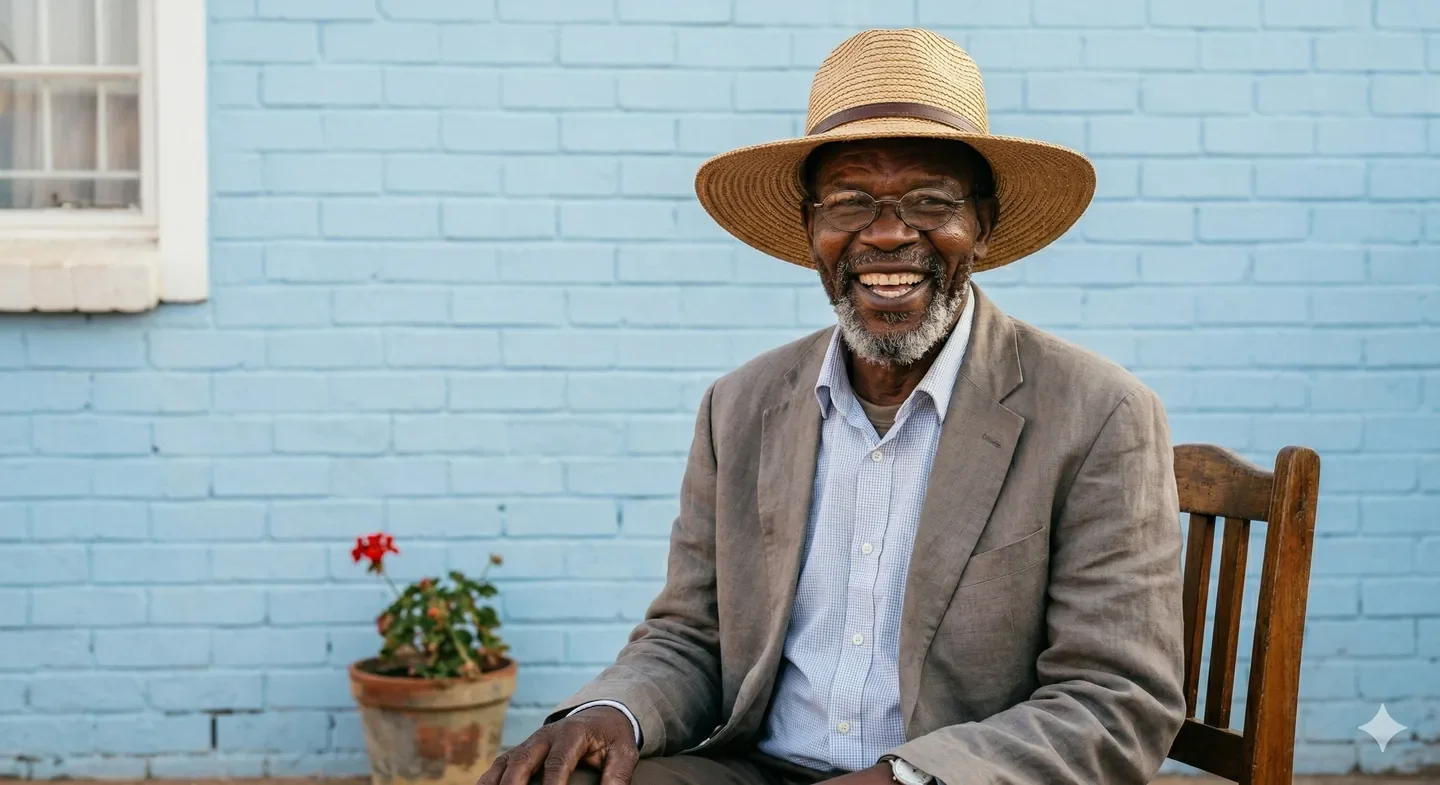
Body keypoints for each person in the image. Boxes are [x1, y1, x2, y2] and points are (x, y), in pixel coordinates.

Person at [479, 28, 1185, 785]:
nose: (887, 234)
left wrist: (906, 778)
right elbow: (691, 634)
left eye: (930, 201)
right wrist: (607, 712)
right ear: (810, 230)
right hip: (756, 767)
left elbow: (1115, 698)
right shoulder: (741, 407)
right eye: (850, 202)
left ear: (984, 225)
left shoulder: (1098, 412)